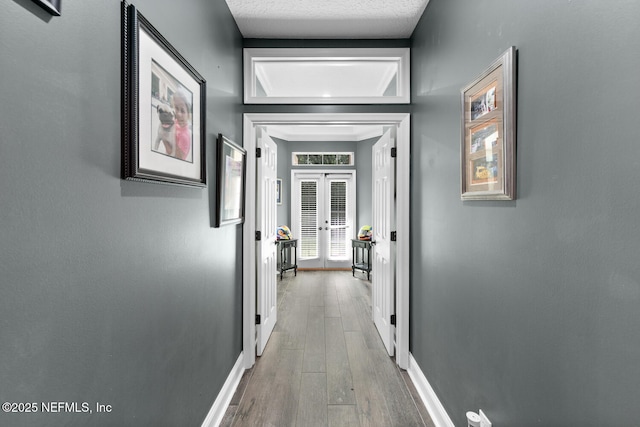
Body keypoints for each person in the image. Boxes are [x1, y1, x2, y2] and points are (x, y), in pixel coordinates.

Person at [171, 88, 192, 161]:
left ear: (188, 114)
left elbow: (177, 159)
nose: (178, 114)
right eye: (176, 108)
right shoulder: (176, 122)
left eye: (182, 111)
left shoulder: (184, 137)